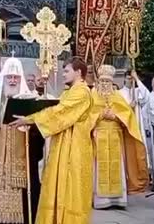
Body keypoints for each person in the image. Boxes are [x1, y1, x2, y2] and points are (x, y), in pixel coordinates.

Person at [11, 56, 94, 223]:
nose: (63, 74)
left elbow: (60, 112)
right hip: (64, 144)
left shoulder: (82, 92)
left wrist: (31, 119)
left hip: (74, 147)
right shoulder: (69, 92)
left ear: (78, 72)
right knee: (58, 184)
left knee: (70, 187)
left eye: (66, 71)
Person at [0, 57, 44, 224]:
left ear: (20, 79)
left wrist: (31, 130)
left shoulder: (30, 100)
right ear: (3, 78)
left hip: (21, 159)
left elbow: (39, 128)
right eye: (9, 77)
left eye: (16, 77)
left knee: (25, 195)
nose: (12, 80)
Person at [89, 65, 149, 209]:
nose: (104, 84)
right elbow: (86, 115)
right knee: (100, 167)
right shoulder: (92, 96)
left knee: (117, 165)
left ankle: (117, 199)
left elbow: (128, 115)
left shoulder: (118, 96)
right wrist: (99, 115)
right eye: (102, 81)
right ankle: (101, 200)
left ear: (112, 83)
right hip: (99, 135)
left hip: (116, 136)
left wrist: (116, 116)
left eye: (107, 82)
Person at [119, 70, 150, 167]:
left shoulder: (137, 91)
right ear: (124, 78)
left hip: (137, 124)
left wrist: (137, 79)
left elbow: (146, 96)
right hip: (126, 126)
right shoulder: (119, 93)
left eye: (132, 79)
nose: (130, 81)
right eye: (129, 78)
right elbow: (118, 110)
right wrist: (129, 107)